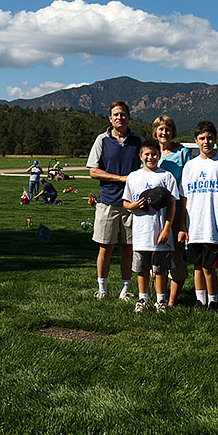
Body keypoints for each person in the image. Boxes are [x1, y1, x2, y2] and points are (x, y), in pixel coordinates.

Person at [86, 101, 144, 300]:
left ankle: (125, 290)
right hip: (107, 201)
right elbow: (93, 171)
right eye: (115, 115)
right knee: (105, 247)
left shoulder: (138, 141)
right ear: (110, 119)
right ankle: (102, 289)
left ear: (129, 116)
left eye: (123, 114)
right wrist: (120, 178)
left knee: (128, 248)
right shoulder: (102, 140)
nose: (120, 117)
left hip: (131, 204)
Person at [178, 120, 218, 311]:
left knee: (209, 267)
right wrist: (182, 226)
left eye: (209, 138)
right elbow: (184, 198)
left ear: (215, 139)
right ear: (196, 141)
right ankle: (200, 300)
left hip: (213, 226)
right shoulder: (190, 166)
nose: (206, 142)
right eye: (202, 138)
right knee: (196, 266)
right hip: (194, 225)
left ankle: (213, 301)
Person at [122, 139, 180, 313]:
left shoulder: (166, 176)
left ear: (159, 155)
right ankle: (143, 299)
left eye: (154, 154)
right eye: (146, 154)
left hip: (160, 232)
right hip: (141, 234)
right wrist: (133, 206)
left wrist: (167, 228)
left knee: (160, 269)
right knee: (142, 269)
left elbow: (172, 206)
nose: (150, 157)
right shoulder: (133, 177)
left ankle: (161, 301)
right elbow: (126, 202)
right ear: (140, 156)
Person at [152, 115, 192, 307]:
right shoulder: (150, 152)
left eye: (167, 129)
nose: (164, 132)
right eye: (160, 129)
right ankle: (157, 296)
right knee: (156, 255)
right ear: (155, 132)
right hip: (153, 214)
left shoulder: (182, 153)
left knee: (176, 256)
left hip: (175, 212)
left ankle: (171, 301)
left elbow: (187, 184)